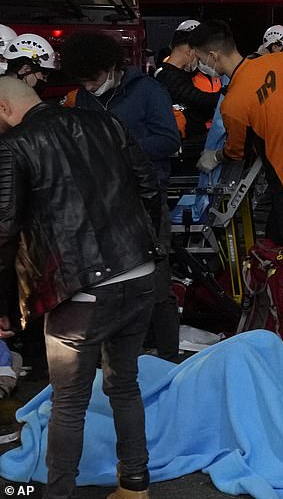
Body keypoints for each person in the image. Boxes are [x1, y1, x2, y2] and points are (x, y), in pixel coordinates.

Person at [0, 77, 164, 499]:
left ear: (3, 108)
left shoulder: (14, 145)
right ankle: (135, 485)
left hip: (81, 289)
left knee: (68, 402)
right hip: (140, 271)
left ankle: (58, 494)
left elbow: (3, 230)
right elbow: (149, 188)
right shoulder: (107, 123)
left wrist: (4, 303)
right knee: (124, 384)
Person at [189, 19, 283, 359]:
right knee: (279, 242)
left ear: (212, 56)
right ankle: (280, 314)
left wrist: (214, 156)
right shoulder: (279, 61)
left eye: (199, 58)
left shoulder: (234, 103)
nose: (200, 64)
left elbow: (236, 151)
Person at [61, 31, 182, 362]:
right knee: (108, 286)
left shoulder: (147, 91)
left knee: (156, 286)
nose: (88, 87)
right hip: (99, 205)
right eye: (82, 81)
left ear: (113, 67)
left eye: (93, 79)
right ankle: (120, 358)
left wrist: (120, 150)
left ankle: (169, 358)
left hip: (145, 203)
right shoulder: (83, 99)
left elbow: (168, 140)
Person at [154, 20, 222, 157]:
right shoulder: (165, 75)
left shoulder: (184, 74)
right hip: (180, 148)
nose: (200, 60)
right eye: (199, 54)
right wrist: (227, 94)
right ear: (190, 50)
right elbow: (197, 99)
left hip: (194, 140)